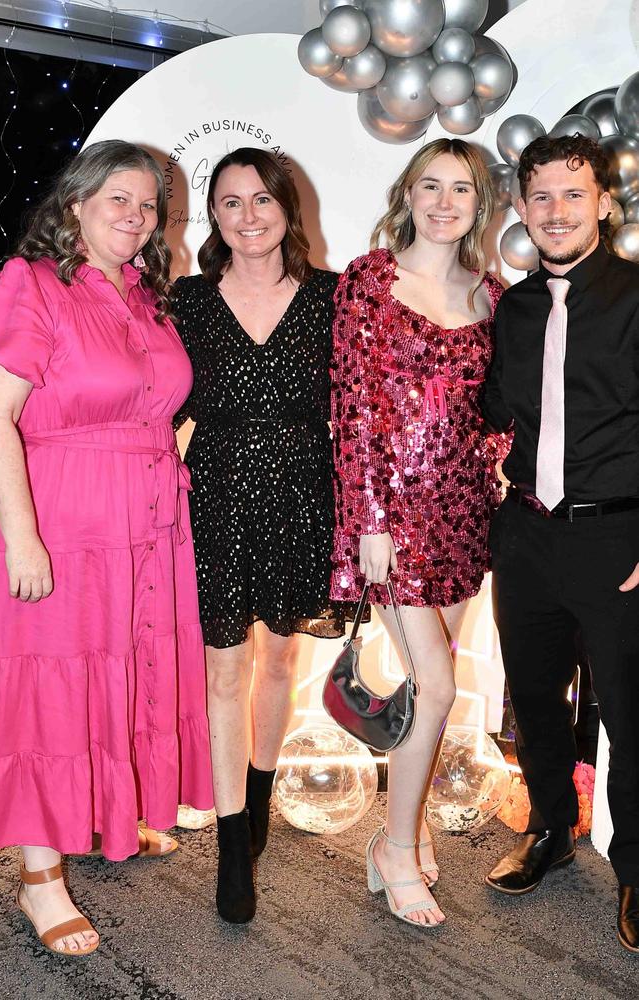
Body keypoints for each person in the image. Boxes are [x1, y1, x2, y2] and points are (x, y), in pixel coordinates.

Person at [0, 140, 212, 957]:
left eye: (148, 204)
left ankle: (106, 814)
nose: (135, 215)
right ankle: (40, 877)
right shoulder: (32, 284)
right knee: (55, 686)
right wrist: (22, 536)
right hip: (65, 516)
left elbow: (158, 406)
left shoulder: (146, 298)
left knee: (126, 673)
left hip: (149, 519)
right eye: (117, 198)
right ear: (75, 204)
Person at [330, 138, 503, 927]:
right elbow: (354, 405)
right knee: (436, 686)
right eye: (429, 185)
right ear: (408, 192)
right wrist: (368, 519)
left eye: (460, 189)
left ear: (479, 202)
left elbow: (495, 411)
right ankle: (394, 849)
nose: (443, 202)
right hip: (391, 520)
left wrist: (500, 464)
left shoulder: (493, 294)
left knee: (426, 688)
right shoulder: (370, 280)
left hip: (467, 513)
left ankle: (408, 823)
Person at [172, 147, 347, 924]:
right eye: (230, 202)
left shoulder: (333, 299)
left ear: (287, 209)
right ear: (214, 216)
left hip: (304, 495)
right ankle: (230, 837)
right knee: (222, 673)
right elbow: (156, 404)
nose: (247, 216)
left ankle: (262, 793)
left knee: (279, 658)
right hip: (213, 495)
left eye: (260, 200)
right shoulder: (187, 301)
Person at [482, 133, 639, 955]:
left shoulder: (638, 296)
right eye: (539, 195)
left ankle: (638, 871)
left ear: (604, 204)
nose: (555, 210)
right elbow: (496, 414)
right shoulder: (513, 308)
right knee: (534, 698)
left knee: (632, 710)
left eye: (573, 194)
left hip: (619, 535)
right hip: (528, 533)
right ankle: (550, 829)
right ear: (521, 209)